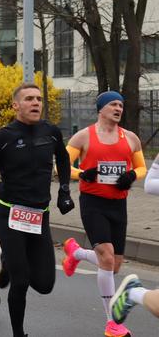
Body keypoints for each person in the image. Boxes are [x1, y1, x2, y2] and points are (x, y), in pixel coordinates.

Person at [0, 83, 74, 337]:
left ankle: (5, 259)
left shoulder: (50, 132)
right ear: (16, 105)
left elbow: (63, 158)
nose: (36, 103)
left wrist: (64, 190)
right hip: (11, 215)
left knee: (45, 284)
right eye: (29, 99)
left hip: (40, 215)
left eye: (38, 98)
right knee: (22, 281)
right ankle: (19, 333)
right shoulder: (2, 138)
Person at [62, 91, 146, 337]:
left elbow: (141, 167)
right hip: (93, 203)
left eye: (121, 104)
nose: (118, 108)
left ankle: (76, 252)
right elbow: (61, 164)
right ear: (101, 109)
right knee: (107, 259)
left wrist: (132, 176)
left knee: (114, 265)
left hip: (118, 205)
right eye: (113, 104)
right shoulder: (83, 136)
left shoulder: (130, 138)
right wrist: (81, 174)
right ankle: (112, 323)